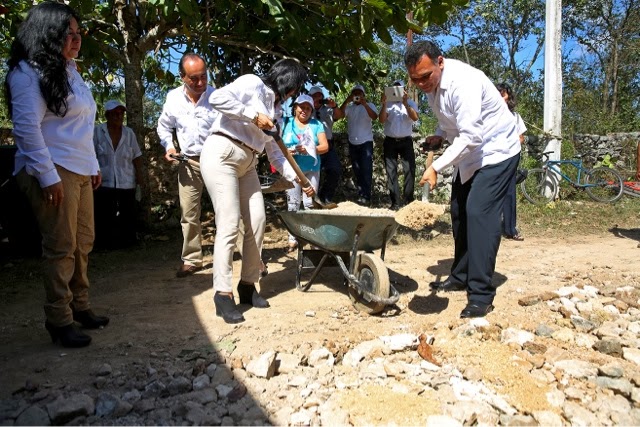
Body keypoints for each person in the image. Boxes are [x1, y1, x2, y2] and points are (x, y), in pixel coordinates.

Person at [6, 1, 109, 347]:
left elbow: (83, 125)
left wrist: (93, 165)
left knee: (83, 242)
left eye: (79, 34)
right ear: (49, 34)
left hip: (79, 168)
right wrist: (48, 176)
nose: (76, 40)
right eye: (69, 33)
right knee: (61, 245)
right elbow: (26, 130)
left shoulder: (69, 70)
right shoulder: (26, 72)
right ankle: (59, 318)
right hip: (51, 168)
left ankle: (80, 307)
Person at [405, 41, 521, 318]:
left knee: (479, 212)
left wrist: (437, 167)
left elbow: (471, 136)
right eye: (415, 79)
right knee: (459, 212)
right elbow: (452, 124)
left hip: (497, 151)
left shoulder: (464, 82)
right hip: (471, 155)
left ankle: (481, 294)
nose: (421, 83)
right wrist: (440, 136)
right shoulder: (433, 87)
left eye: (425, 76)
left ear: (440, 62)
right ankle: (460, 275)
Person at [201, 58, 310, 324]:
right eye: (295, 86)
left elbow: (275, 153)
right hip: (222, 152)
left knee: (258, 222)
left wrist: (297, 178)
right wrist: (252, 115)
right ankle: (222, 295)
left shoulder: (278, 111)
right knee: (228, 223)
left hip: (248, 162)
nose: (294, 92)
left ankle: (248, 286)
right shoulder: (252, 83)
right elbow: (217, 98)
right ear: (288, 81)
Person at [157, 52, 217, 278]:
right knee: (189, 213)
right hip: (188, 162)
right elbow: (164, 127)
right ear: (182, 77)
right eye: (194, 78)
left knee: (229, 209)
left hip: (217, 160)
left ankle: (241, 254)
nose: (201, 82)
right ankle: (192, 259)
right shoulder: (172, 98)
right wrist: (169, 148)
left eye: (204, 76)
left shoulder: (217, 96)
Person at [281, 94, 329, 252]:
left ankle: (311, 237)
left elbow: (325, 147)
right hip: (292, 170)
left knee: (309, 203)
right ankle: (293, 238)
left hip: (311, 170)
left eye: (308, 108)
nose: (305, 111)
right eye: (302, 107)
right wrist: (287, 151)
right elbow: (277, 145)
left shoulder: (317, 125)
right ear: (295, 108)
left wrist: (310, 149)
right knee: (293, 203)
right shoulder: (286, 123)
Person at [93, 100, 144, 249]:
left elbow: (137, 156)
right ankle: (104, 244)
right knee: (103, 214)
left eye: (121, 113)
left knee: (128, 213)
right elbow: (91, 154)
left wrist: (140, 178)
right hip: (104, 180)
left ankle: (128, 243)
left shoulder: (129, 133)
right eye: (115, 113)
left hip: (126, 179)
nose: (118, 116)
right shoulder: (97, 132)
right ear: (107, 115)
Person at [379, 80, 419, 210]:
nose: (396, 92)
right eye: (394, 89)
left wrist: (406, 103)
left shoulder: (411, 103)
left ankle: (408, 201)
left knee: (409, 170)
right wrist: (384, 104)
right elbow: (381, 120)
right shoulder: (388, 104)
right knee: (391, 172)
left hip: (406, 141)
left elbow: (415, 118)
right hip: (390, 141)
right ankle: (395, 203)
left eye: (399, 89)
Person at [496, 83, 527, 241]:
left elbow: (521, 138)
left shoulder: (515, 117)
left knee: (509, 194)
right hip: (491, 159)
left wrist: (508, 143)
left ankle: (510, 229)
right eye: (498, 94)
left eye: (504, 95)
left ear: (509, 97)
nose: (502, 98)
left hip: (509, 158)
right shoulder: (487, 115)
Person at [339, 84, 378, 205]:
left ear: (363, 95)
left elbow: (375, 117)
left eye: (359, 93)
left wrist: (365, 104)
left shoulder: (369, 105)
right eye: (355, 93)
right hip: (353, 142)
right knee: (357, 170)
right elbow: (339, 115)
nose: (357, 95)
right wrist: (346, 100)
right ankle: (361, 195)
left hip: (366, 142)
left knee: (366, 169)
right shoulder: (349, 107)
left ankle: (366, 197)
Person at [308, 86, 344, 204]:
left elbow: (340, 115)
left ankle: (326, 197)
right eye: (315, 96)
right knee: (312, 173)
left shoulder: (328, 109)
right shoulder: (306, 109)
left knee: (335, 170)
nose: (318, 98)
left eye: (320, 96)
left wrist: (334, 106)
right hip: (313, 146)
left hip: (328, 146)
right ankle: (312, 200)